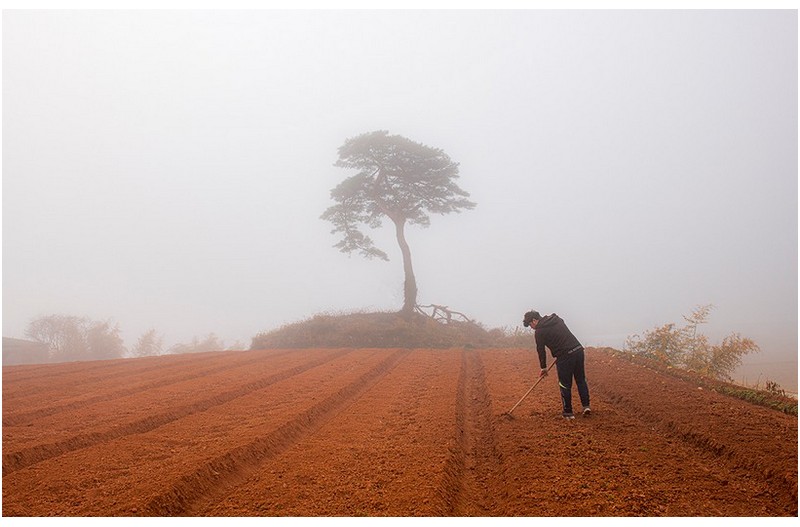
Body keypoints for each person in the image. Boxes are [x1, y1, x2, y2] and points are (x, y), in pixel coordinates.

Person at [523, 310, 591, 420]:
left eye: (530, 325)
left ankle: (568, 413)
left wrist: (543, 367)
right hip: (578, 351)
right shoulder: (557, 319)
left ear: (534, 320)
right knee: (580, 380)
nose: (531, 328)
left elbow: (541, 350)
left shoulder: (539, 331)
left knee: (565, 384)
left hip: (565, 357)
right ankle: (586, 406)